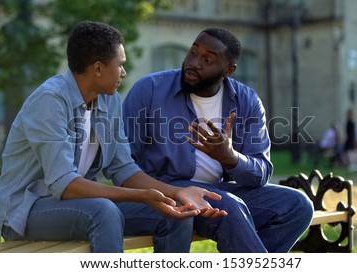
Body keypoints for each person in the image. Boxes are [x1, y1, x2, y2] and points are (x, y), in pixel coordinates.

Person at [0, 21, 227, 253]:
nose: (124, 73)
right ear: (98, 69)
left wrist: (176, 193)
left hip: (78, 206)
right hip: (26, 212)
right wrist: (141, 196)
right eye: (120, 65)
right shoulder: (50, 101)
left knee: (175, 213)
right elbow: (65, 184)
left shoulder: (108, 99)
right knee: (104, 211)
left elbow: (123, 168)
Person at [122, 28, 314, 252]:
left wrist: (230, 158)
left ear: (228, 70)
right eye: (193, 53)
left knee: (297, 205)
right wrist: (167, 192)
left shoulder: (246, 101)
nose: (194, 63)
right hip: (164, 191)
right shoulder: (150, 90)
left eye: (208, 59)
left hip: (218, 191)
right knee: (228, 204)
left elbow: (261, 172)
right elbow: (123, 164)